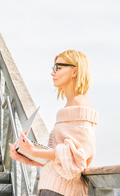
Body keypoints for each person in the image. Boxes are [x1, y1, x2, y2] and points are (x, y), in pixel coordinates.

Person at [9, 49, 98, 196]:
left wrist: (34, 151)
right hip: (52, 187)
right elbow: (61, 158)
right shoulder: (70, 105)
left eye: (59, 68)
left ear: (75, 71)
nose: (53, 72)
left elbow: (77, 155)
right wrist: (28, 157)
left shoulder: (80, 104)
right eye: (53, 68)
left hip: (60, 190)